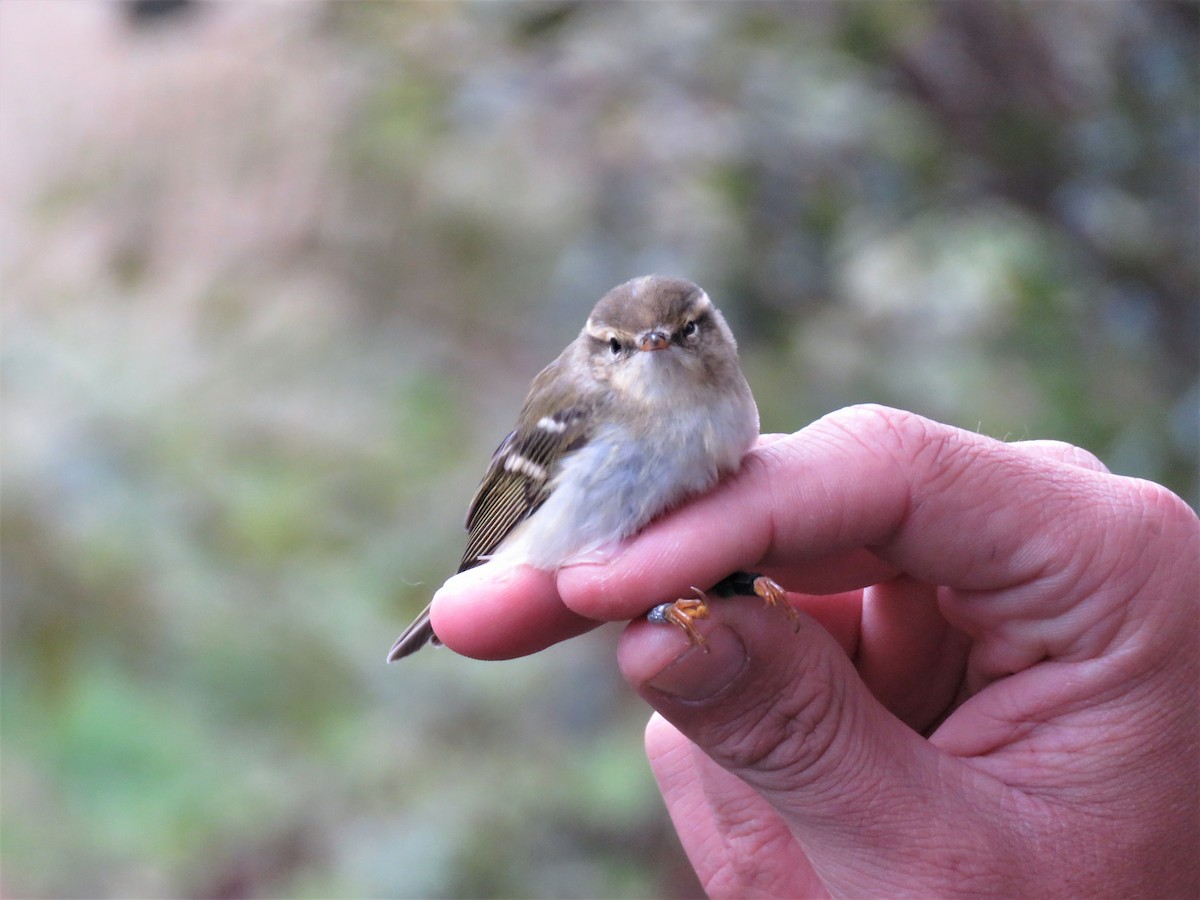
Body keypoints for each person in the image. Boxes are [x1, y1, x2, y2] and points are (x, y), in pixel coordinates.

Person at [429, 405, 1199, 897]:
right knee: (636, 589)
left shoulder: (712, 399)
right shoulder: (584, 403)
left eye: (689, 332)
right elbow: (517, 482)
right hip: (581, 549)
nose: (660, 350)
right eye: (627, 345)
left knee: (670, 579)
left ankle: (719, 595)